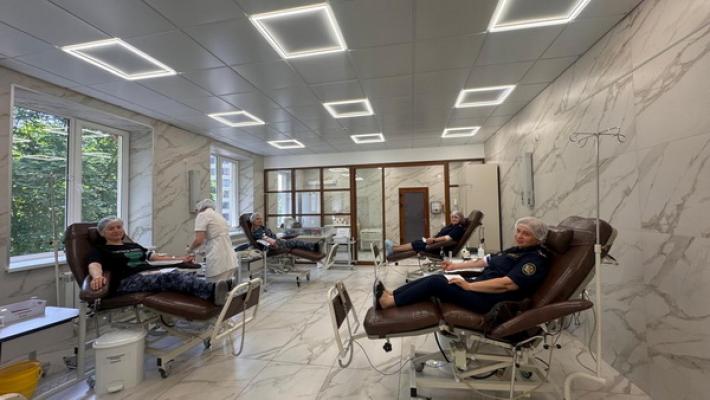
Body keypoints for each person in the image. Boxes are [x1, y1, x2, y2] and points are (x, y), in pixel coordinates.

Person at [375, 217, 550, 314]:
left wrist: (469, 285)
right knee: (438, 277)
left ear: (538, 238)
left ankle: (389, 302)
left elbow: (507, 284)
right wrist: (454, 267)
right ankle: (393, 294)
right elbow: (485, 260)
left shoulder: (534, 260)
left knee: (435, 283)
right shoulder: (517, 250)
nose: (519, 236)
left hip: (490, 300)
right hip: (481, 287)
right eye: (518, 231)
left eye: (526, 234)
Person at [88, 217, 235, 305]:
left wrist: (180, 258)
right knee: (171, 277)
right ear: (102, 233)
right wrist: (97, 276)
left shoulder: (133, 245)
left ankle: (218, 291)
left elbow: (154, 257)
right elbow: (94, 264)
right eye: (111, 229)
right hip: (126, 281)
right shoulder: (101, 249)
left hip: (148, 275)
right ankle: (214, 292)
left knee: (180, 274)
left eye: (119, 227)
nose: (116, 230)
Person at [187, 199, 237, 278]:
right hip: (230, 260)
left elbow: (199, 240)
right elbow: (214, 236)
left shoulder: (202, 215)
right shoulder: (218, 215)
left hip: (218, 262)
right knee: (225, 284)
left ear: (199, 208)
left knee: (214, 284)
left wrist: (190, 250)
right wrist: (204, 250)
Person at [384, 211, 466, 258]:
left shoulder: (458, 229)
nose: (453, 219)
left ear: (460, 219)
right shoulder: (451, 226)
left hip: (438, 248)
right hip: (435, 244)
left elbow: (447, 238)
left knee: (417, 243)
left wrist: (434, 240)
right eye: (452, 217)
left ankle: (393, 249)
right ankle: (394, 248)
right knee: (417, 242)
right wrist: (432, 238)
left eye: (456, 217)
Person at [249, 213, 321, 253]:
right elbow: (266, 239)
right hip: (276, 245)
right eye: (257, 219)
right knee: (295, 242)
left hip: (278, 240)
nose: (260, 220)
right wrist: (275, 244)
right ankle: (314, 247)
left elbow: (271, 235)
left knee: (292, 235)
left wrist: (281, 236)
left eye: (260, 218)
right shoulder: (257, 232)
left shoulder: (262, 227)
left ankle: (313, 247)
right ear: (252, 221)